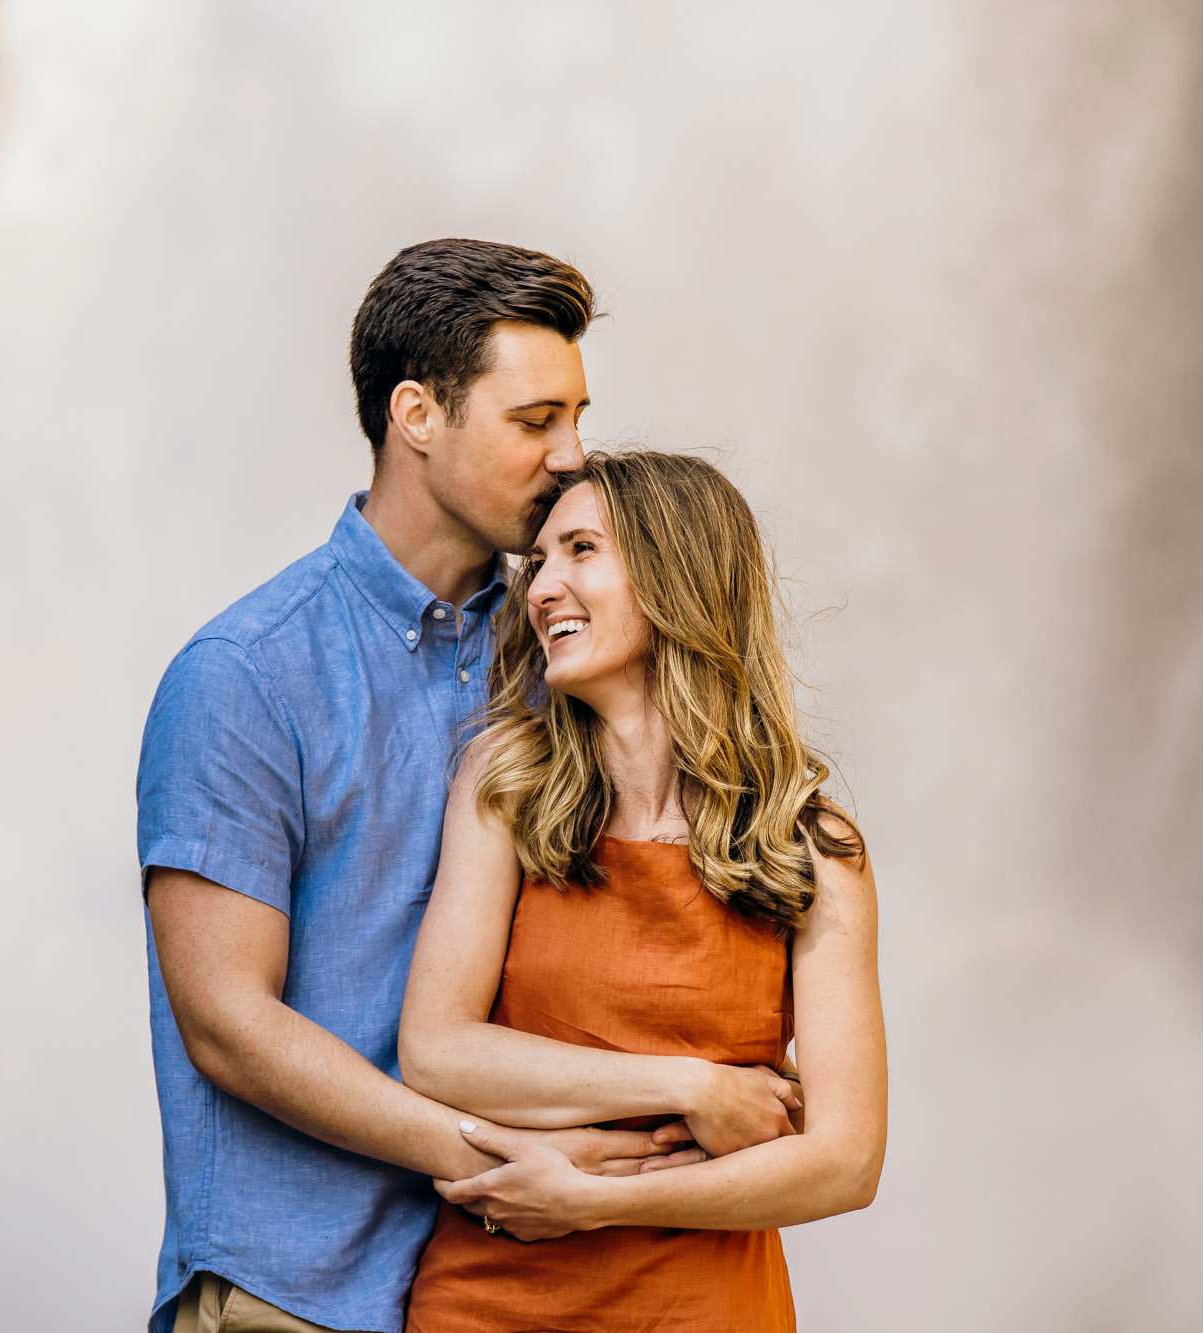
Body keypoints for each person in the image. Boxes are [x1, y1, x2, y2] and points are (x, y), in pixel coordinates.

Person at [135, 241, 794, 1333]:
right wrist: (503, 1160)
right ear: (417, 416)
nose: (570, 455)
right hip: (292, 1289)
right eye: (534, 422)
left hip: (513, 1290)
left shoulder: (563, 648)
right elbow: (228, 1025)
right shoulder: (246, 675)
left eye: (576, 418)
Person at [398, 451, 888, 1331]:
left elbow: (847, 1161)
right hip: (489, 1303)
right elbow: (436, 1050)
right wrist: (692, 1086)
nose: (543, 586)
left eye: (581, 549)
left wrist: (592, 1200)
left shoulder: (811, 847)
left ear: (676, 578)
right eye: (539, 560)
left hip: (704, 1308)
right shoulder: (505, 785)